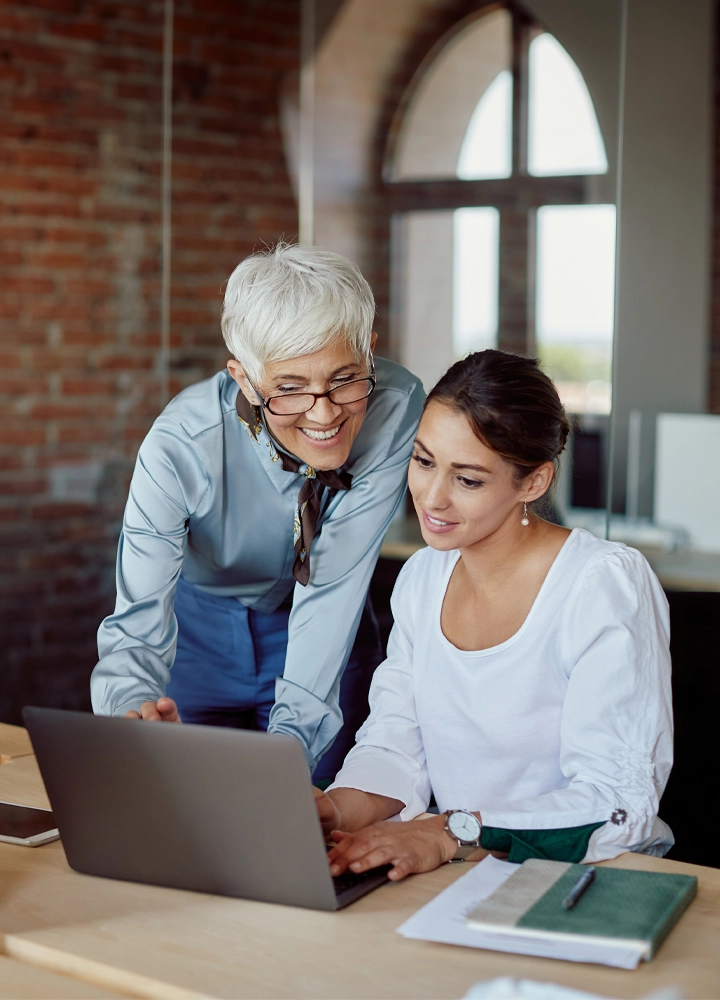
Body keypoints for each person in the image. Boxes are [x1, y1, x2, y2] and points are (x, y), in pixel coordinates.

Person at [314, 349, 673, 878]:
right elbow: (395, 743)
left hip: (591, 879)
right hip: (467, 869)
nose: (431, 498)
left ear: (533, 483)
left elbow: (619, 805)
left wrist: (448, 829)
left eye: (468, 479)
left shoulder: (602, 584)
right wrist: (333, 808)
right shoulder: (422, 578)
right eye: (423, 460)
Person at [91, 243, 424, 781]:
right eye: (289, 389)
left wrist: (291, 747)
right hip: (196, 635)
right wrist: (131, 710)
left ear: (369, 350)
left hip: (325, 632)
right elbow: (138, 620)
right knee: (191, 821)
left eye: (344, 378)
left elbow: (336, 578)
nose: (324, 413)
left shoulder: (396, 404)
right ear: (245, 378)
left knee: (316, 827)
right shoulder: (180, 444)